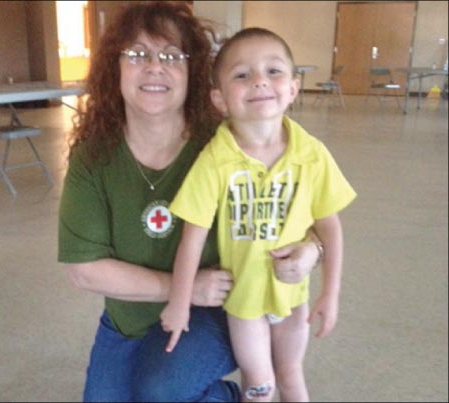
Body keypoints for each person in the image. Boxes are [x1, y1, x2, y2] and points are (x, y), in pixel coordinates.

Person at [58, 2, 320, 402]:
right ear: (115, 68)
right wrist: (185, 288)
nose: (154, 67)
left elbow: (309, 210)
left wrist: (311, 249)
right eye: (137, 54)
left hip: (216, 314)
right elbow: (85, 271)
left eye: (171, 56)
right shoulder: (94, 156)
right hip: (129, 319)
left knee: (159, 391)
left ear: (193, 72)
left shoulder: (229, 144)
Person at [161, 27, 357, 402]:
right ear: (219, 99)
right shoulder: (214, 160)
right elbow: (192, 238)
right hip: (244, 303)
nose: (259, 82)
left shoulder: (312, 154)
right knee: (260, 382)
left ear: (294, 88)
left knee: (290, 375)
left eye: (273, 71)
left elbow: (330, 228)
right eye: (241, 74)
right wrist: (179, 303)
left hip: (293, 298)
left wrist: (330, 294)